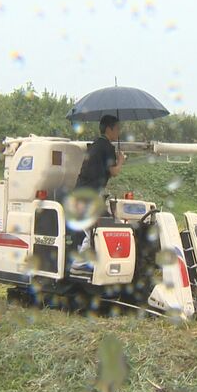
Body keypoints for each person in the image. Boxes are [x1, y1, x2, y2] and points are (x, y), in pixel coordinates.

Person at [70, 115, 125, 276]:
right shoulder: (106, 147)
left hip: (81, 192)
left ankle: (84, 261)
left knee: (91, 228)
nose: (118, 132)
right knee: (96, 227)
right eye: (117, 128)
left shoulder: (96, 144)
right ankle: (79, 264)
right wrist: (121, 160)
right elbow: (114, 172)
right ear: (109, 129)